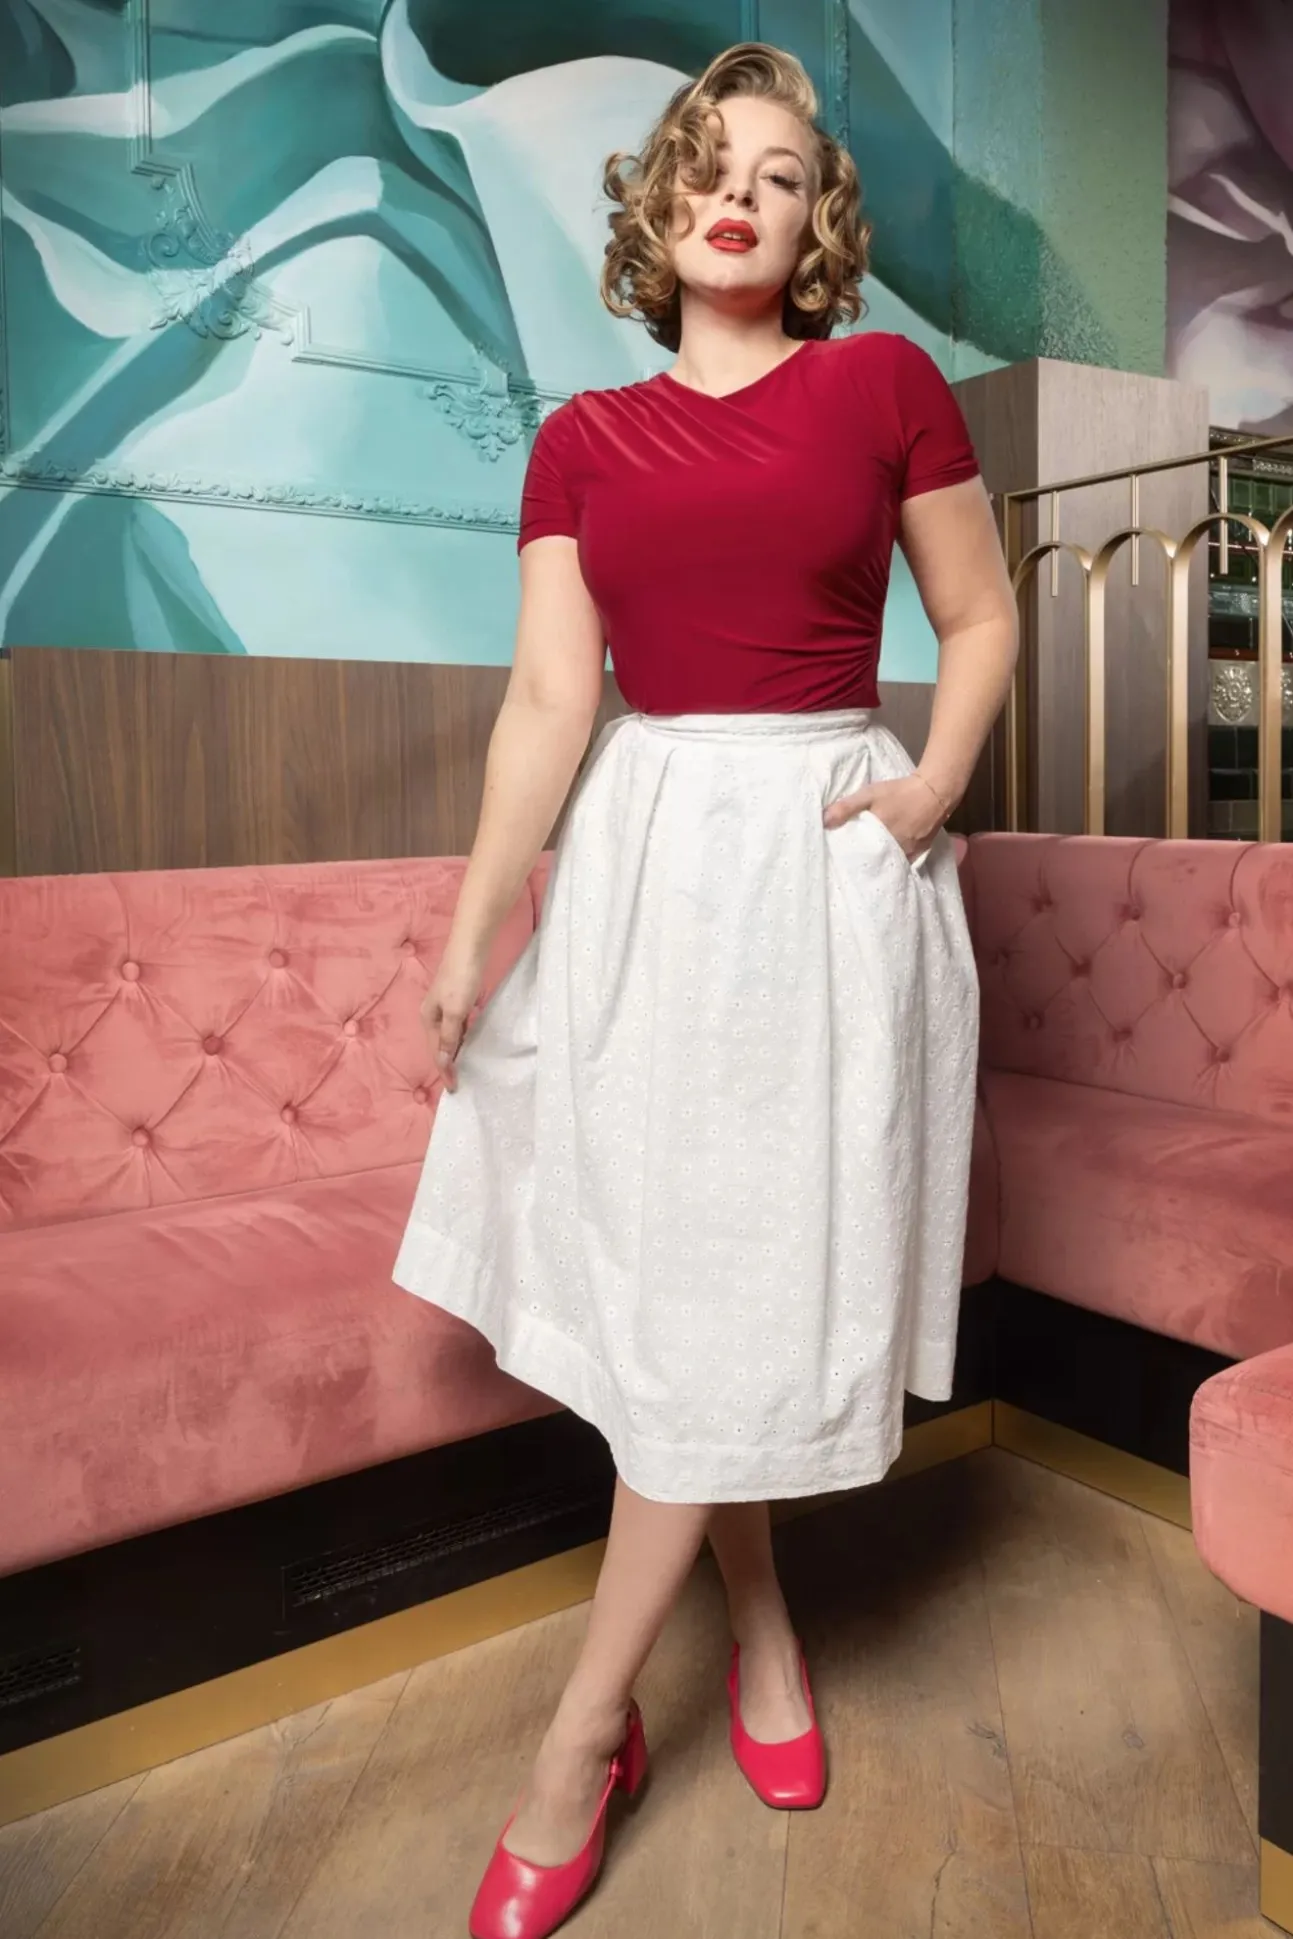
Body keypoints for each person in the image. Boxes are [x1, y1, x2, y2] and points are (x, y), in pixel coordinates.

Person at [390, 41, 1019, 1939]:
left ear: (817, 222)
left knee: (735, 1282)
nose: (739, 193)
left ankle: (579, 1737)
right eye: (707, 164)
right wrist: (474, 932)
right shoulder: (582, 438)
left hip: (821, 871)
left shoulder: (883, 386)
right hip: (647, 873)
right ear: (657, 201)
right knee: (685, 1294)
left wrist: (931, 788)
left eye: (781, 173)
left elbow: (978, 613)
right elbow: (549, 702)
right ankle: (759, 1620)